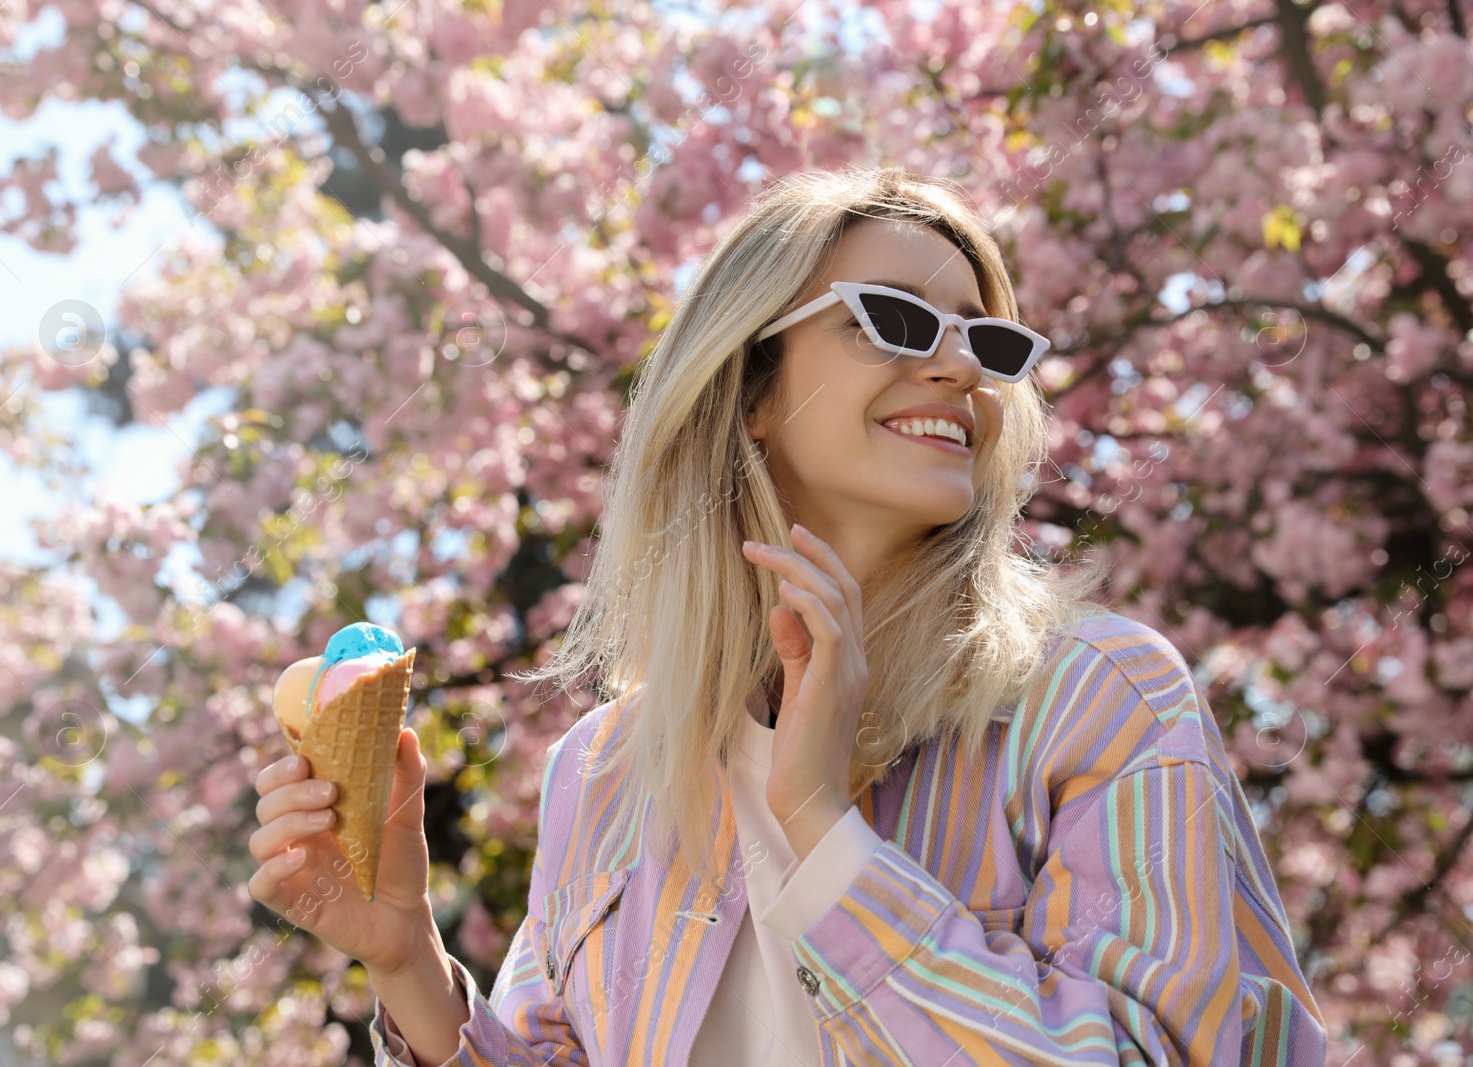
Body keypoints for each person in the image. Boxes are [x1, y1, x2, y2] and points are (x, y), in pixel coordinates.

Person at [248, 165, 1328, 1066]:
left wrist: (823, 832)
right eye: (897, 321)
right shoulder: (608, 769)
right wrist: (410, 965)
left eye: (989, 344)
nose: (960, 368)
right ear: (751, 386)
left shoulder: (1099, 696)